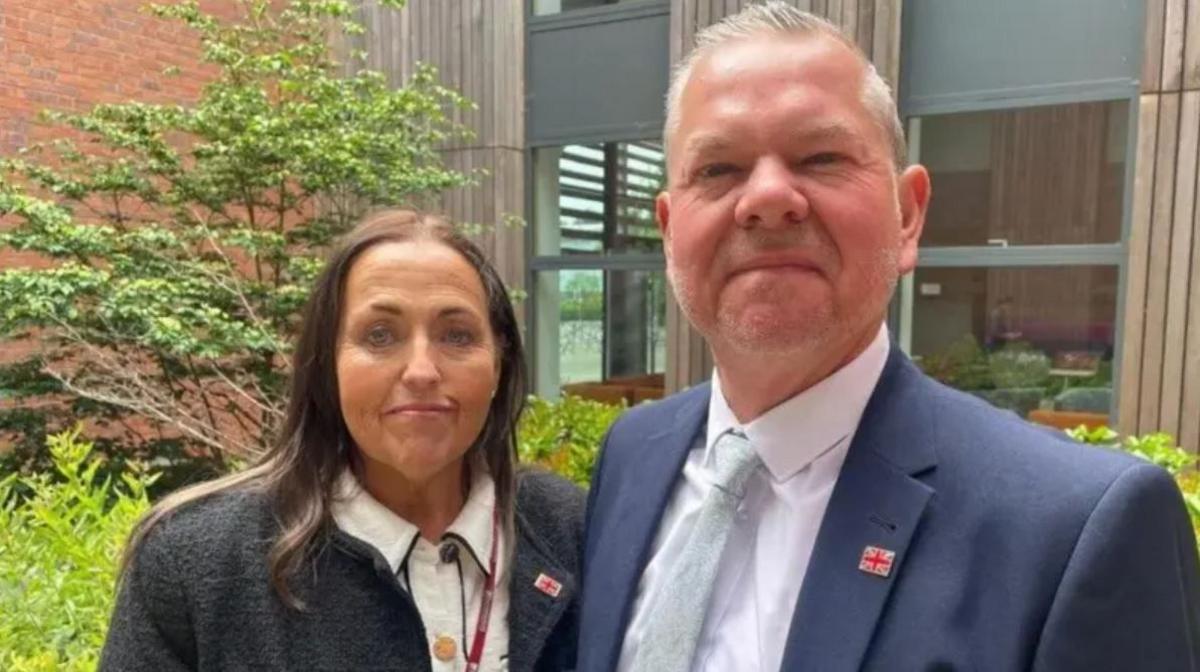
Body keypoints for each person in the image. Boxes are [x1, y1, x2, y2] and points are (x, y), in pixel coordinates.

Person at [576, 4, 1200, 672]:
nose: (767, 197)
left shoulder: (1078, 529)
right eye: (717, 170)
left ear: (908, 216)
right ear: (670, 231)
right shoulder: (631, 455)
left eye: (820, 157)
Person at [101, 209, 583, 672]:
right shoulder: (196, 565)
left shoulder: (576, 533)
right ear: (328, 363)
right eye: (379, 335)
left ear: (498, 363)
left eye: (456, 336)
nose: (421, 371)